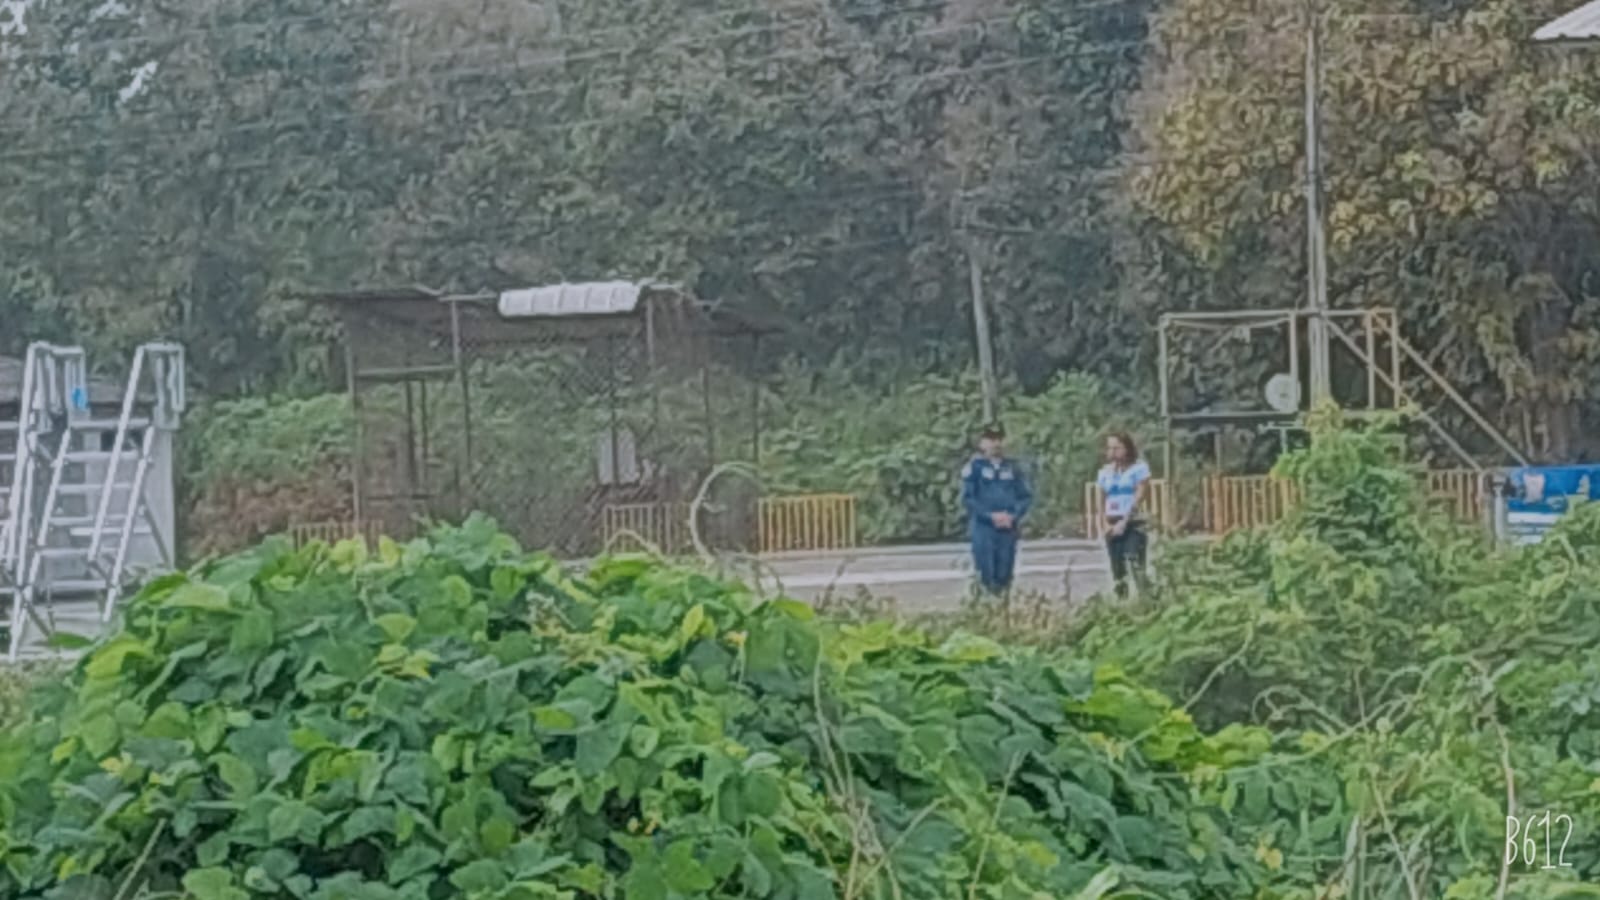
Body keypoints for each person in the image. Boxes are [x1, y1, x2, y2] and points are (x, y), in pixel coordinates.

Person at [960, 424, 1032, 596]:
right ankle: (986, 607)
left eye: (999, 439)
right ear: (982, 443)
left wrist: (1013, 516)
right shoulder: (975, 468)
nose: (995, 444)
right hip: (984, 529)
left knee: (1004, 574)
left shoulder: (1013, 468)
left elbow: (1025, 496)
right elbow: (969, 498)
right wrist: (990, 516)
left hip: (1007, 529)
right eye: (991, 439)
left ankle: (1003, 607)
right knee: (986, 574)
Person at [1097, 430, 1151, 599]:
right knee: (1117, 568)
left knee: (1134, 560)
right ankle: (1122, 600)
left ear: (1127, 448)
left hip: (1132, 520)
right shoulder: (1105, 472)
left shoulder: (1139, 469)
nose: (1113, 452)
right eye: (1110, 448)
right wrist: (1105, 523)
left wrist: (1124, 521)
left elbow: (1139, 496)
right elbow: (1101, 499)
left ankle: (1145, 599)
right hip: (1112, 520)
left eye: (1117, 448)